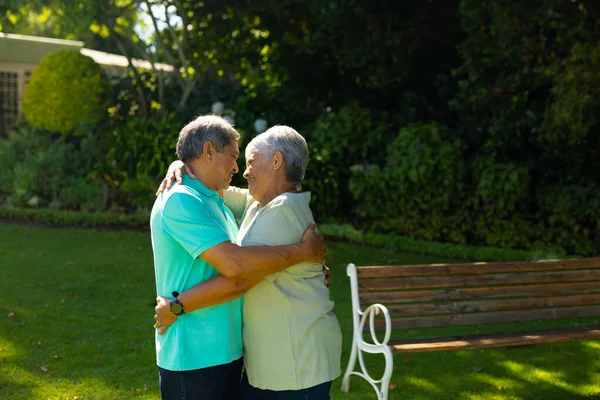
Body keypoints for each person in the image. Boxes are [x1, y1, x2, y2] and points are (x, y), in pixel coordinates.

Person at [155, 125, 342, 400]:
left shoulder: (280, 212)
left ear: (276, 161)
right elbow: (214, 187)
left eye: (251, 161)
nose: (243, 170)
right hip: (280, 358)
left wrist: (176, 306)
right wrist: (182, 164)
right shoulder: (261, 203)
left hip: (296, 359)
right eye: (236, 158)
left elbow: (240, 276)